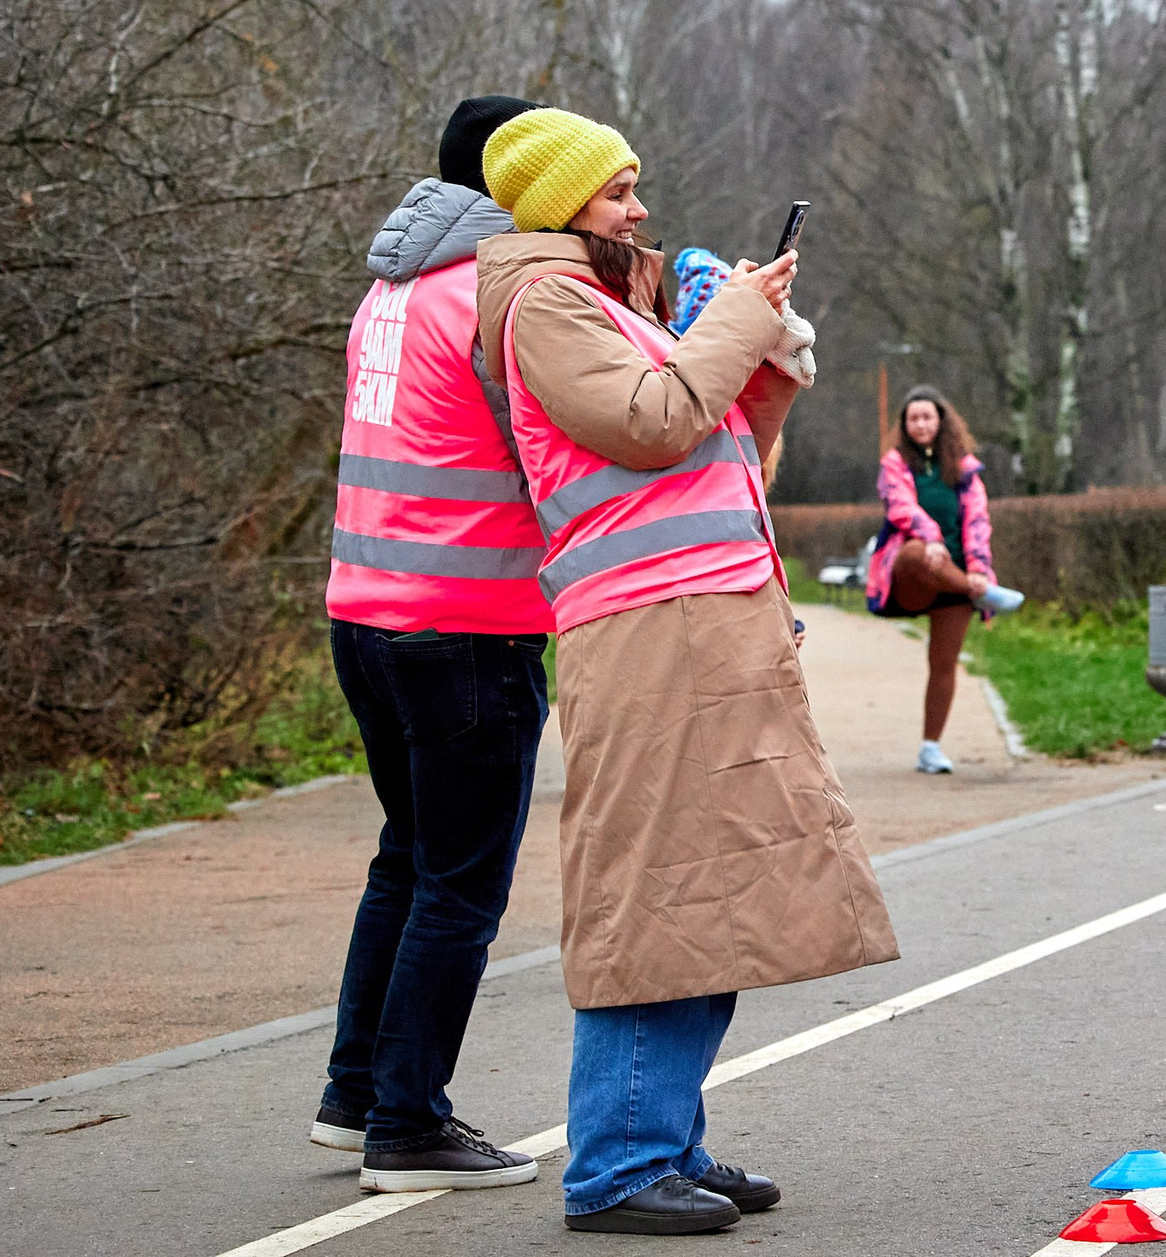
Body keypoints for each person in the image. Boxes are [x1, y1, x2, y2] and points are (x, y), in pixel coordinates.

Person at [474, 107, 899, 1236]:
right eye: (617, 192)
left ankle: (667, 1141)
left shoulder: (612, 301)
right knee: (655, 895)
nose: (640, 208)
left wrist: (764, 354)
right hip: (646, 633)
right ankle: (614, 1164)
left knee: (712, 896)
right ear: (558, 206)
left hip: (704, 626)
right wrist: (730, 324)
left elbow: (717, 448)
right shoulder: (545, 303)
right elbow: (653, 421)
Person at [319, 93, 553, 1194]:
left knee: (405, 862)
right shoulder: (497, 298)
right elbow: (566, 446)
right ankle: (409, 1126)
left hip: (364, 614)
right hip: (470, 626)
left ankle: (355, 1094)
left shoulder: (389, 288)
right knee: (460, 886)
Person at [864, 385, 1022, 774]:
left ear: (941, 421)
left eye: (927, 417)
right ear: (904, 425)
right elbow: (902, 508)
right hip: (915, 575)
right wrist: (932, 538)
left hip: (956, 575)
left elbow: (978, 522)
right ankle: (980, 592)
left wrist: (979, 568)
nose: (920, 424)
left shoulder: (965, 470)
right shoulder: (894, 464)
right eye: (913, 418)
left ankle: (930, 748)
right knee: (918, 553)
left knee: (944, 664)